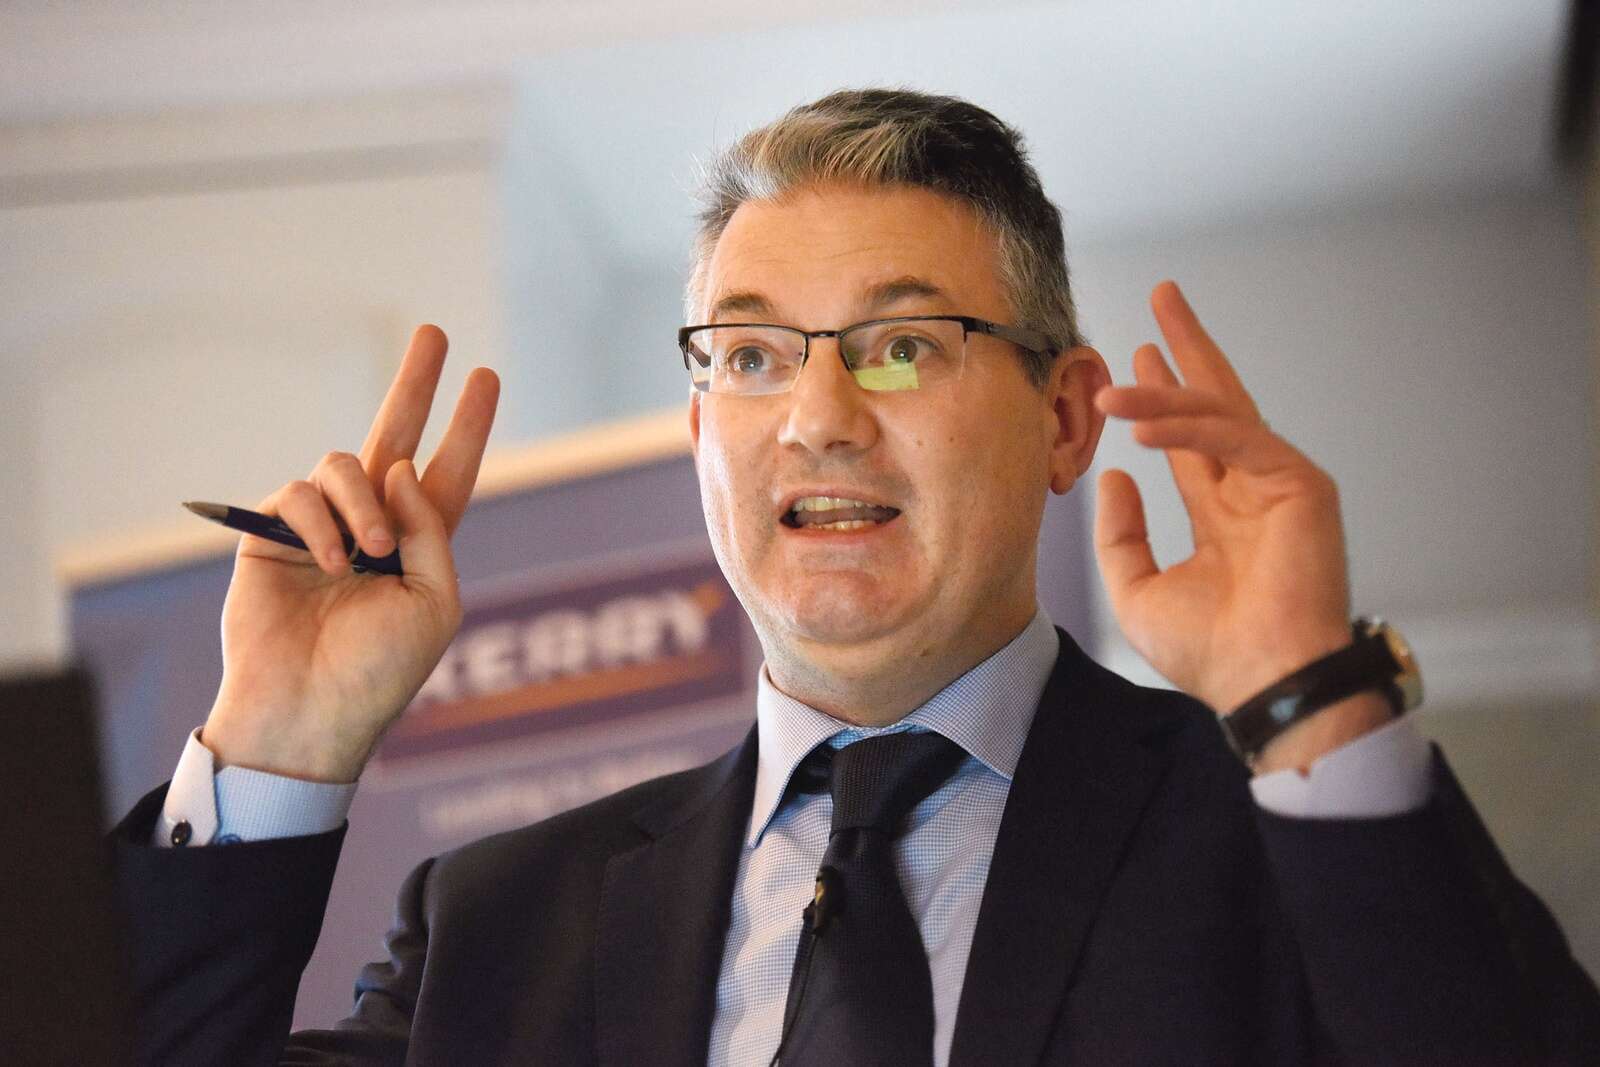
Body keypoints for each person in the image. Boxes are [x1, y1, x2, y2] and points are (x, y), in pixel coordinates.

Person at [111, 89, 1598, 1065]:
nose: (818, 417)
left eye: (901, 345)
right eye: (753, 355)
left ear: (1065, 417)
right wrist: (278, 747)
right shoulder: (499, 926)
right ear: (702, 433)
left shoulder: (1286, 836)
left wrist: (1312, 703)